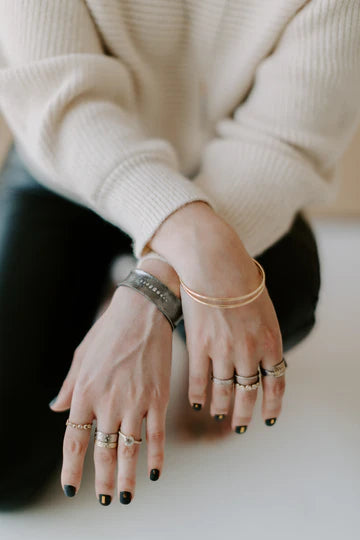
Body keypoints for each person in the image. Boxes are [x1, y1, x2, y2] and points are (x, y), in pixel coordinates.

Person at [0, 0, 358, 510]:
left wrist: (151, 294)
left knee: (285, 294)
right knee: (6, 471)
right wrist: (183, 248)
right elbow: (58, 100)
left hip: (230, 181)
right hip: (71, 170)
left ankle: (157, 311)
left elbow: (283, 143)